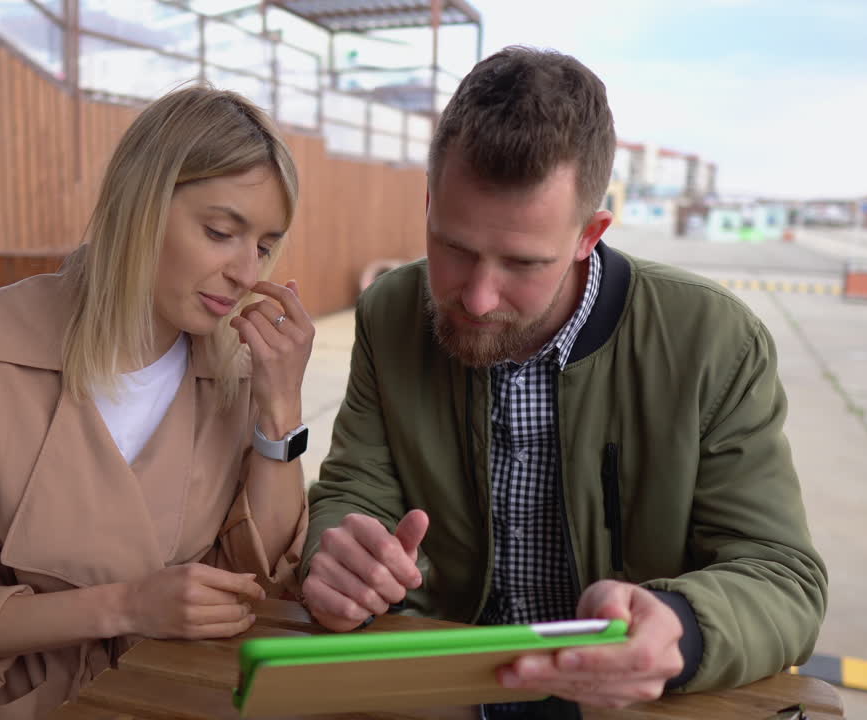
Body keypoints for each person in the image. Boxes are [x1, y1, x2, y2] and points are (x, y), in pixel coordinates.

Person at [301, 46, 828, 715]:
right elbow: (354, 488)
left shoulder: (714, 341)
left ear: (591, 234)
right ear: (430, 202)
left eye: (522, 262)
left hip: (624, 702)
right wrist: (341, 557)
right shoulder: (390, 310)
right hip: (444, 686)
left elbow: (783, 576)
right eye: (454, 248)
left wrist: (684, 627)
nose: (479, 298)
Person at [0, 85, 314, 719]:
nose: (248, 272)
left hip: (175, 691)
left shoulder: (233, 369)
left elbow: (257, 578)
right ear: (140, 206)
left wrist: (280, 410)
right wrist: (128, 605)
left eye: (266, 246)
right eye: (221, 232)